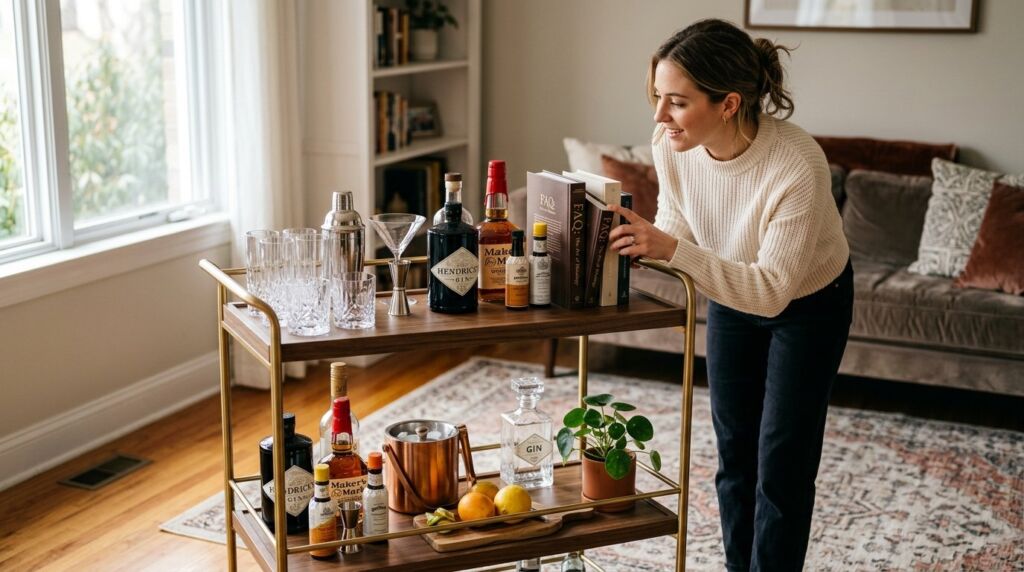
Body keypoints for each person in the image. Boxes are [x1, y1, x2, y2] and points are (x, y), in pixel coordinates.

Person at [608, 18, 853, 571]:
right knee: (734, 456)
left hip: (808, 304)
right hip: (731, 293)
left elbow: (770, 291)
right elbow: (679, 226)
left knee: (782, 463)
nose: (658, 116)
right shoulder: (671, 145)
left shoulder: (797, 163)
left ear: (728, 103)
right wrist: (629, 238)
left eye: (675, 101)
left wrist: (671, 248)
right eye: (656, 98)